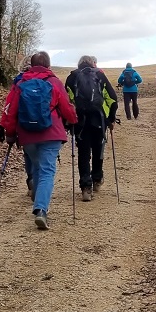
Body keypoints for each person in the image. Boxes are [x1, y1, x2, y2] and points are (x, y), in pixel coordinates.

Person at [0, 51, 77, 230]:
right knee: (47, 170)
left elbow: (10, 109)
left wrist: (9, 132)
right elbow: (66, 107)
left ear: (31, 64)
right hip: (51, 133)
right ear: (48, 65)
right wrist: (73, 121)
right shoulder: (54, 82)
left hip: (27, 134)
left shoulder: (20, 83)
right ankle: (41, 210)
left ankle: (36, 191)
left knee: (37, 165)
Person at [65, 55, 119, 202]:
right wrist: (111, 119)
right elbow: (113, 99)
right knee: (98, 150)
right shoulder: (100, 75)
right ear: (92, 64)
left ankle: (85, 187)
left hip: (80, 122)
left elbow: (68, 102)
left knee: (83, 153)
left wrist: (68, 122)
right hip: (98, 120)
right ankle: (97, 179)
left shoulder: (71, 78)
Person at [0, 62, 35, 196]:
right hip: (44, 125)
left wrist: (4, 126)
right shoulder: (46, 80)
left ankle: (31, 179)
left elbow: (9, 106)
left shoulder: (19, 82)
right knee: (41, 153)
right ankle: (40, 182)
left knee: (28, 153)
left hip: (23, 125)